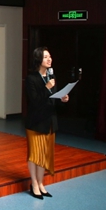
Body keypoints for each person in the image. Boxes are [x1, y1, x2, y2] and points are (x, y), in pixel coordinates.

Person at [25, 47, 69, 200]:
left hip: (49, 121)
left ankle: (41, 183)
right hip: (36, 122)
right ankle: (34, 184)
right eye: (45, 57)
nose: (49, 59)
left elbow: (52, 98)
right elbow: (35, 101)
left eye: (50, 56)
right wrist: (47, 87)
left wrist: (62, 98)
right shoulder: (31, 79)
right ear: (38, 60)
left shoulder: (51, 77)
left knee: (44, 154)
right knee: (35, 154)